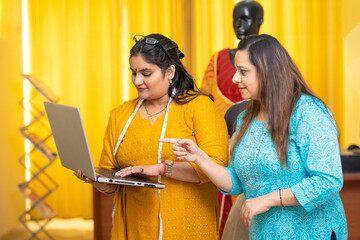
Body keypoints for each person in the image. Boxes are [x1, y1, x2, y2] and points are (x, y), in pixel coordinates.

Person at [160, 34, 348, 239]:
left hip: (312, 233)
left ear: (268, 71)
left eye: (243, 71)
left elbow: (328, 180)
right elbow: (236, 182)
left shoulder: (308, 113)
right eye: (235, 71)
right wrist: (198, 157)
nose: (234, 79)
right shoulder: (244, 119)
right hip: (264, 233)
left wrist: (267, 200)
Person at [75, 33, 228, 239]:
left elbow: (218, 169)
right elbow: (110, 183)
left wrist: (162, 168)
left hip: (185, 228)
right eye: (134, 73)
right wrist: (94, 179)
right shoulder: (120, 115)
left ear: (170, 71)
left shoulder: (199, 108)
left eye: (146, 73)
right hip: (135, 228)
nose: (137, 81)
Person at [200, 0, 263, 115]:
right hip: (221, 126)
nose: (238, 24)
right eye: (235, 18)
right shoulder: (218, 59)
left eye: (244, 19)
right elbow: (205, 98)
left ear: (259, 21)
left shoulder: (270, 57)